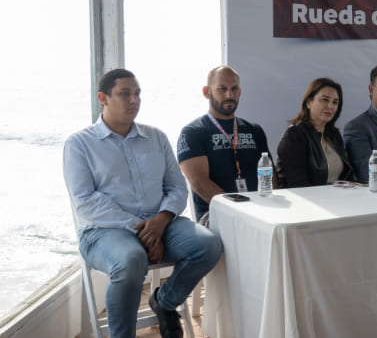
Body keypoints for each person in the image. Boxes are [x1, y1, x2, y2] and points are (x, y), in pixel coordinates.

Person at [64, 69, 223, 338]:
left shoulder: (157, 137)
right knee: (131, 259)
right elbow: (86, 201)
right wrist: (144, 231)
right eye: (124, 94)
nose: (133, 100)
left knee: (209, 245)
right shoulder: (80, 144)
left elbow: (176, 186)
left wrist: (160, 222)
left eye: (137, 93)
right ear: (103, 98)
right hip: (103, 232)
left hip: (162, 223)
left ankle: (165, 301)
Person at [177, 66, 271, 223]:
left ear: (239, 92)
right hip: (216, 214)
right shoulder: (193, 132)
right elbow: (199, 183)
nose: (229, 95)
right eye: (222, 89)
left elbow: (269, 174)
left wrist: (269, 206)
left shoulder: (254, 130)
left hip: (260, 211)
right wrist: (238, 210)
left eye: (234, 89)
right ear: (207, 92)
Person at [276, 78, 353, 187]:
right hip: (306, 201)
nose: (330, 106)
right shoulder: (294, 136)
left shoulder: (334, 136)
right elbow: (299, 186)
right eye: (325, 100)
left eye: (335, 102)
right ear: (308, 103)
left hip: (337, 199)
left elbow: (346, 178)